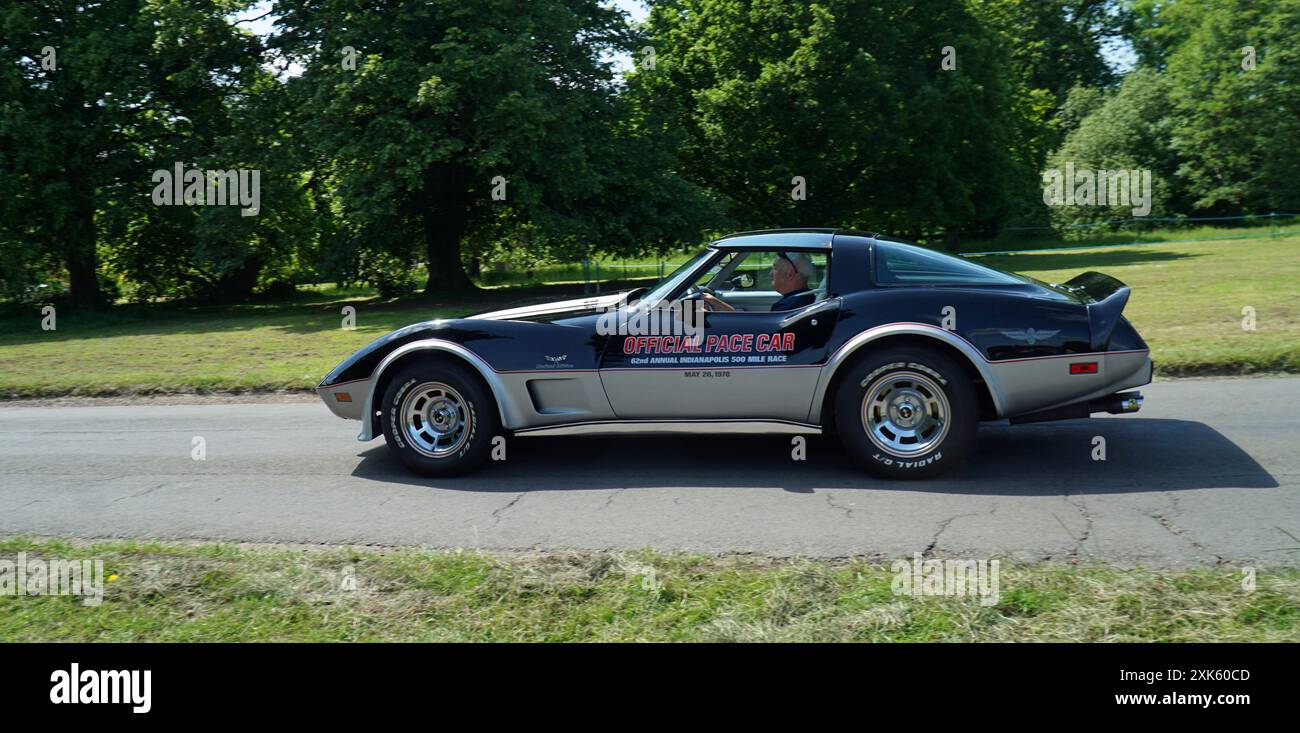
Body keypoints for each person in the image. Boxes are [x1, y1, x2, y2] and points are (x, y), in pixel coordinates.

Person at [701, 252, 816, 312]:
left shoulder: (792, 305)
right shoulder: (802, 299)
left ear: (789, 274)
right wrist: (718, 304)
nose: (771, 273)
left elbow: (761, 334)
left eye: (775, 268)